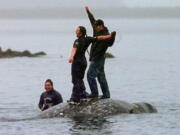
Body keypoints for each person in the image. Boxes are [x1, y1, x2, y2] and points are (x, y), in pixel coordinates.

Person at [68, 26, 115, 104]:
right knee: (80, 78)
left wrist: (71, 57)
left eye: (77, 30)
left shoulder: (77, 41)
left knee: (75, 79)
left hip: (77, 62)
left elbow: (74, 49)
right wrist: (109, 36)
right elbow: (100, 38)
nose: (75, 31)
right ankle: (82, 94)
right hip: (84, 62)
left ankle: (75, 99)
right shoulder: (88, 39)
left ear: (81, 32)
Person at [85, 6, 116, 99]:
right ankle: (106, 95)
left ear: (101, 26)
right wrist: (88, 12)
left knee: (90, 75)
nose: (95, 28)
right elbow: (92, 19)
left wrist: (113, 37)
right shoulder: (96, 28)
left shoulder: (106, 34)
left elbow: (110, 44)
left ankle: (94, 93)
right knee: (101, 77)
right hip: (98, 58)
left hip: (98, 58)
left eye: (96, 27)